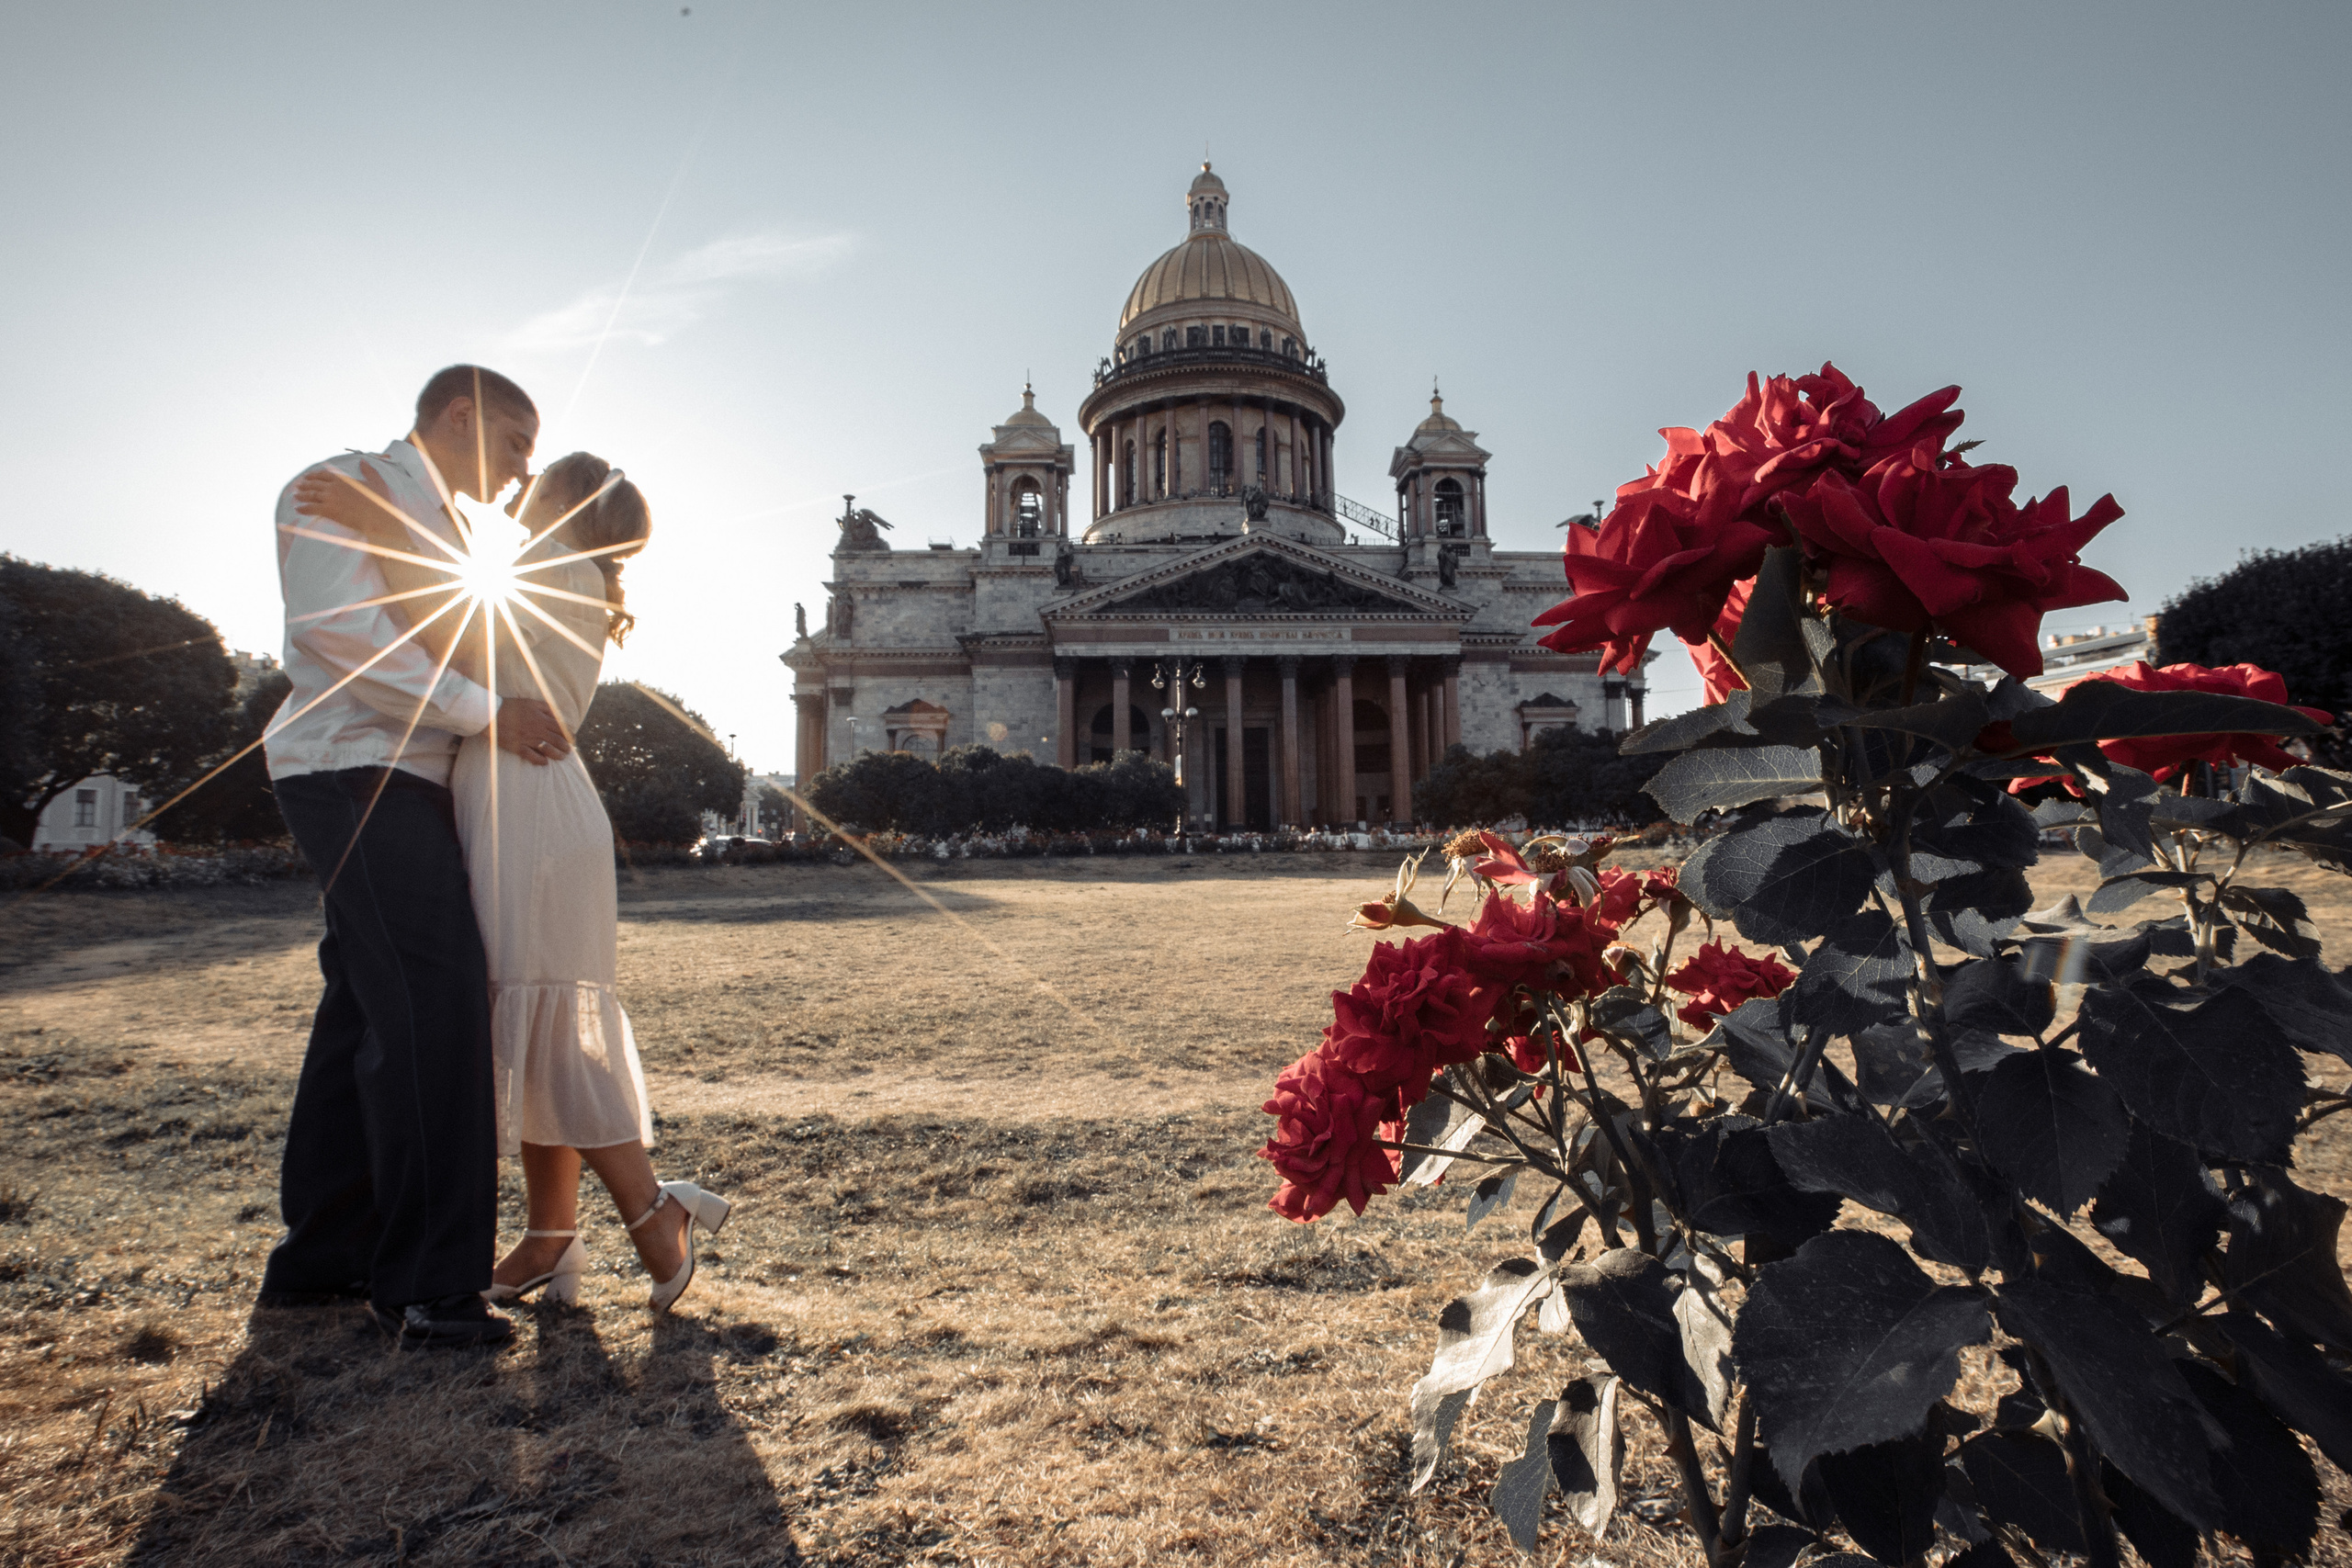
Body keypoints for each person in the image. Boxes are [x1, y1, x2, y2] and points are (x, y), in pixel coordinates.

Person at [291, 449, 730, 1313]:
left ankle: (654, 1210)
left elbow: (441, 627)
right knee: (541, 1022)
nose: (524, 483)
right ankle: (550, 1239)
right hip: (525, 802)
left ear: (573, 503)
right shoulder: (573, 576)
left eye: (547, 474)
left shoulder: (549, 567)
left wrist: (379, 524)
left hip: (526, 808)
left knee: (552, 1029)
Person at [259, 364, 568, 1348]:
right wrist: (486, 713)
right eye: (517, 443)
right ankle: (428, 1286)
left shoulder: (427, 518)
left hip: (398, 774)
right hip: (358, 766)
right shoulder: (339, 482)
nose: (523, 471)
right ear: (464, 416)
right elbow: (343, 637)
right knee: (435, 1007)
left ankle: (321, 1261)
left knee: (361, 1010)